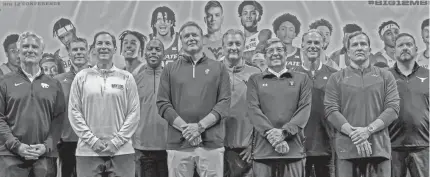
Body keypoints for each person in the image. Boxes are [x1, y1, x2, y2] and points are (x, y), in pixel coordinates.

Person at [157, 21, 231, 177]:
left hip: (211, 145)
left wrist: (200, 127)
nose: (191, 38)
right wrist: (187, 130)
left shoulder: (219, 68)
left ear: (202, 39)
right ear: (181, 41)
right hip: (178, 144)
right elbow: (163, 104)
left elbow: (224, 103)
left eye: (194, 35)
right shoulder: (169, 69)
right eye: (186, 36)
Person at [324, 31, 400, 177]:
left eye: (363, 44)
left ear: (369, 50)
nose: (359, 48)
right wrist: (355, 134)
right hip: (347, 151)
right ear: (348, 52)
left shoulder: (385, 76)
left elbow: (393, 109)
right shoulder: (336, 78)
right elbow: (331, 111)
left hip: (379, 150)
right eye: (354, 45)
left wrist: (368, 130)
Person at [68, 31, 140, 177]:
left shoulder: (126, 77)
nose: (103, 47)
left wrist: (117, 142)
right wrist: (93, 141)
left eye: (108, 43)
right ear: (93, 49)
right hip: (88, 152)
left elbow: (134, 113)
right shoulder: (82, 77)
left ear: (114, 49)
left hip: (122, 151)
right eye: (99, 43)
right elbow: (74, 112)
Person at [0, 31, 66, 177]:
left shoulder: (54, 84)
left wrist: (46, 146)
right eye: (25, 46)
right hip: (10, 158)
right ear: (18, 52)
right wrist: (16, 146)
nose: (30, 50)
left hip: (45, 157)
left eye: (35, 47)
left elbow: (59, 120)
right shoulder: (4, 82)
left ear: (41, 52)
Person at [247, 38, 312, 176]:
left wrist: (284, 133)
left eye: (279, 50)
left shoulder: (302, 79)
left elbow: (304, 110)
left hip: (293, 152)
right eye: (270, 50)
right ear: (265, 56)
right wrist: (273, 137)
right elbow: (253, 110)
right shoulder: (254, 80)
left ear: (286, 53)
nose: (275, 53)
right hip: (263, 152)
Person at [292, 29, 337, 177]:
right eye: (309, 42)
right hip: (298, 146)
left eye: (316, 42)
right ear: (302, 46)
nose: (313, 46)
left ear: (323, 45)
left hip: (327, 146)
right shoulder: (290, 75)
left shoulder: (334, 75)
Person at [221, 29, 261, 177]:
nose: (234, 47)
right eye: (229, 43)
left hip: (245, 151)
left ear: (244, 46)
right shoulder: (213, 71)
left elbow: (261, 112)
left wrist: (253, 144)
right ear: (222, 46)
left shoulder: (255, 73)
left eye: (238, 43)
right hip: (216, 148)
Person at [389, 33, 429, 177]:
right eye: (400, 45)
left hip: (424, 146)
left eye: (409, 44)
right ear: (394, 51)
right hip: (391, 146)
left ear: (416, 49)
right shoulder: (384, 77)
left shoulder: (429, 75)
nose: (405, 48)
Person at [54, 37, 90, 177]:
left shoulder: (99, 76)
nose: (79, 52)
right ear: (69, 53)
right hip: (68, 142)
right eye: (75, 49)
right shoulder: (58, 80)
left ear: (88, 52)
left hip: (93, 142)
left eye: (82, 49)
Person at [133, 38, 168, 177]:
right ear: (144, 53)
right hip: (142, 148)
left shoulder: (172, 79)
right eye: (150, 49)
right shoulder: (134, 80)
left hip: (168, 147)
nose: (153, 52)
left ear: (164, 55)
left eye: (158, 49)